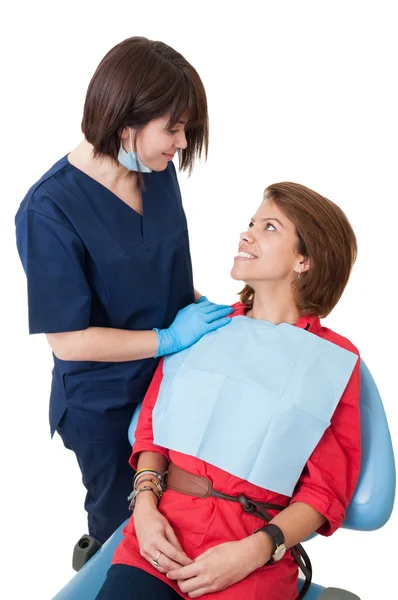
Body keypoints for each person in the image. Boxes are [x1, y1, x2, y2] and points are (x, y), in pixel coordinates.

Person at [95, 182, 362, 600]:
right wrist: (145, 507)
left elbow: (324, 490)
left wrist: (255, 551)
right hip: (160, 537)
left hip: (249, 554)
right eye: (251, 223)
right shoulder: (204, 325)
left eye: (269, 227)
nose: (247, 234)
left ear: (304, 259)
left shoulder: (331, 360)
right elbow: (155, 432)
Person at [14, 36, 233, 545]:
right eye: (173, 129)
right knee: (126, 534)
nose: (180, 143)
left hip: (171, 382)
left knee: (182, 518)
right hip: (104, 404)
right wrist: (167, 338)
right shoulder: (49, 210)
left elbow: (158, 261)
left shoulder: (155, 169)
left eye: (186, 129)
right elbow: (67, 340)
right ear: (125, 121)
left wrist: (199, 311)